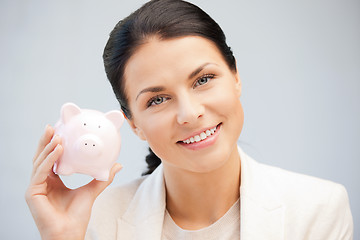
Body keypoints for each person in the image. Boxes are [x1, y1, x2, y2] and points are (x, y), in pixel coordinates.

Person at [25, 0, 353, 239]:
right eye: (157, 99)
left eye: (203, 80)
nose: (189, 113)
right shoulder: (95, 223)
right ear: (132, 122)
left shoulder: (318, 210)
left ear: (235, 75)